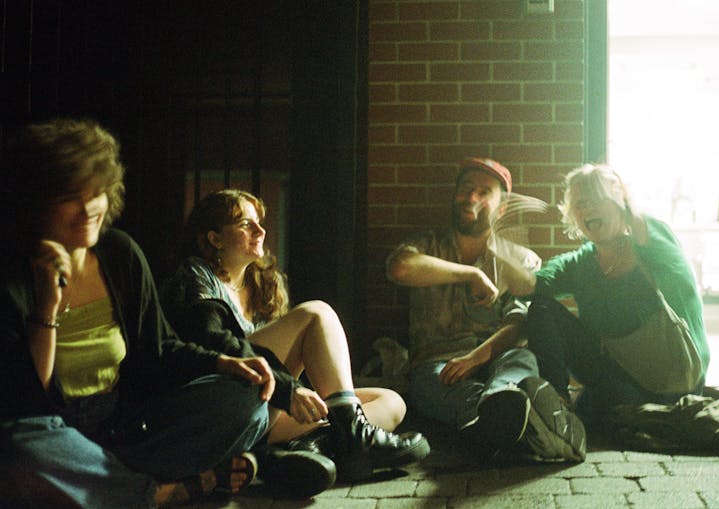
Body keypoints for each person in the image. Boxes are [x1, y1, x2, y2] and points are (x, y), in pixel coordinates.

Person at [0, 118, 282, 508]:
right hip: (48, 434)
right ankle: (159, 492)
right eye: (70, 196)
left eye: (95, 192)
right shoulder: (13, 273)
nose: (88, 209)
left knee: (248, 398)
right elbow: (29, 402)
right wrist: (47, 304)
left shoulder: (119, 253)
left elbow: (160, 349)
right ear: (36, 202)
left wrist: (223, 363)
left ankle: (96, 486)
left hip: (123, 431)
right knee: (18, 448)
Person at [160, 189, 431, 489]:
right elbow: (212, 342)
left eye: (259, 222)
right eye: (245, 224)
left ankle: (296, 453)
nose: (260, 230)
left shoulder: (262, 285)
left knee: (391, 402)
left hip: (265, 405)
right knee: (317, 313)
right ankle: (351, 442)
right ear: (215, 238)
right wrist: (292, 390)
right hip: (225, 403)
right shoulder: (197, 275)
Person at [386, 157, 586, 463]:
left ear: (501, 208)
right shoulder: (427, 245)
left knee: (522, 358)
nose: (472, 198)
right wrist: (471, 274)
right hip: (438, 363)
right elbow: (400, 268)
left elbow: (519, 322)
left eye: (484, 192)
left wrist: (477, 357)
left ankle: (500, 409)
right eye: (466, 189)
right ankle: (509, 422)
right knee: (425, 387)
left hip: (496, 360)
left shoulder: (520, 259)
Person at [513, 163, 710, 427]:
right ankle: (555, 406)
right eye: (580, 204)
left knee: (600, 406)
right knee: (542, 308)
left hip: (673, 382)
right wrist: (499, 246)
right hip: (622, 379)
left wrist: (624, 197)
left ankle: (612, 410)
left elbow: (641, 229)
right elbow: (531, 287)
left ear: (620, 202)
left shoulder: (653, 246)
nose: (587, 209)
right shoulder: (581, 263)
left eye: (597, 199)